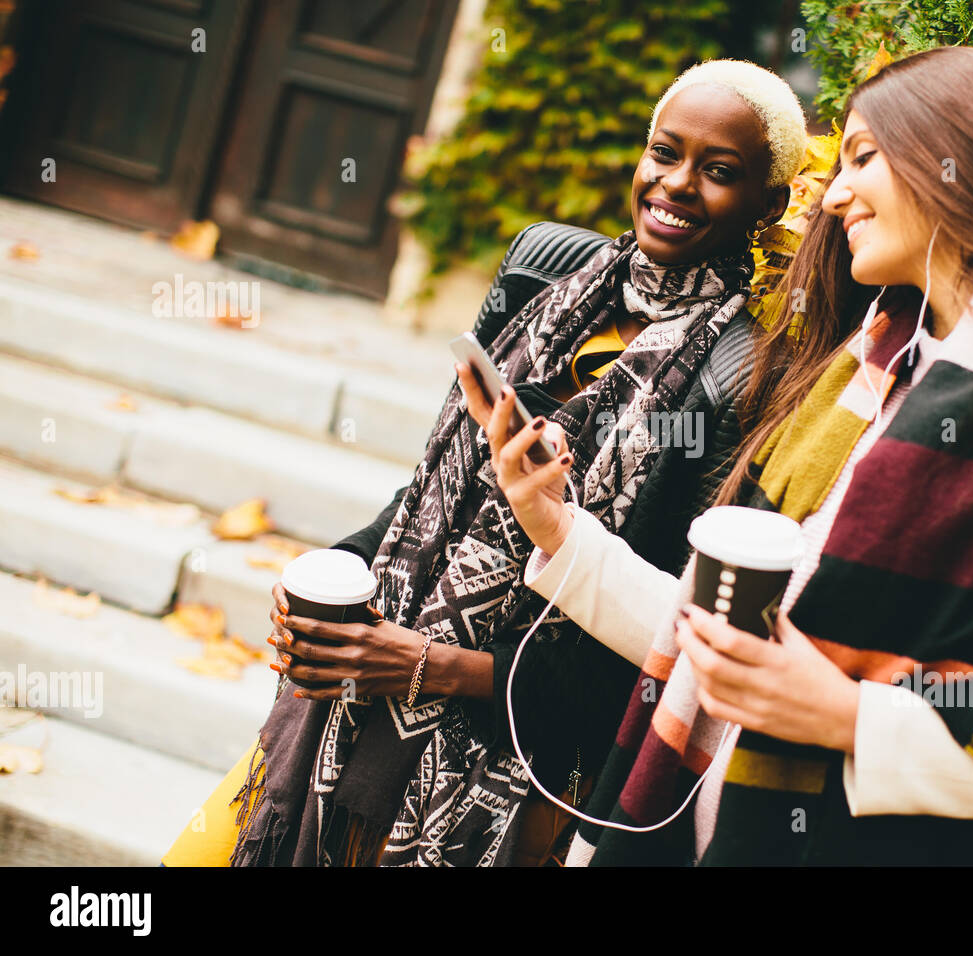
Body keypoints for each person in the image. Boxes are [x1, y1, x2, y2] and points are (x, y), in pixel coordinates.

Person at [467, 45, 973, 865]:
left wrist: (853, 719)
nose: (834, 193)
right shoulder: (864, 374)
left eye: (863, 156)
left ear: (955, 162)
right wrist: (555, 526)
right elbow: (716, 650)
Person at [160, 58, 808, 867]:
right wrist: (336, 570)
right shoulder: (548, 279)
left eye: (718, 172)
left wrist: (432, 667)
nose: (675, 184)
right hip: (350, 711)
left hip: (506, 783)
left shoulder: (739, 383)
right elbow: (438, 493)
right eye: (664, 153)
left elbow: (649, 661)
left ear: (768, 203)